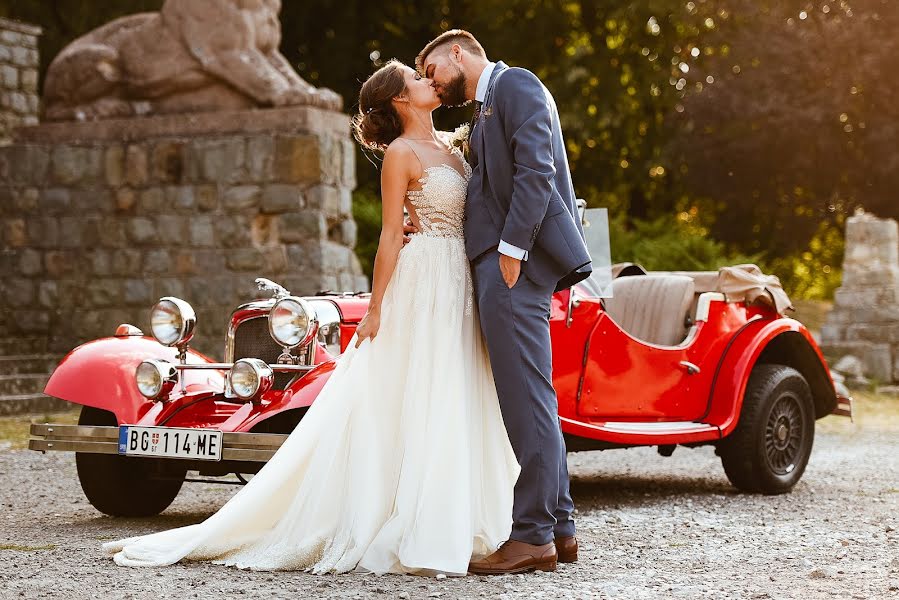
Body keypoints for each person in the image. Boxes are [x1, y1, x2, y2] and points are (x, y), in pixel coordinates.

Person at [102, 59, 520, 576]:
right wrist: (378, 307)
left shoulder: (456, 149)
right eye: (415, 80)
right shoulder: (400, 154)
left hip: (461, 277)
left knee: (457, 386)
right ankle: (415, 521)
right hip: (425, 279)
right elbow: (391, 236)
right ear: (399, 100)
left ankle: (467, 514)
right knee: (421, 388)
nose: (427, 81)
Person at [415, 30, 592, 575]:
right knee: (533, 394)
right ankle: (559, 527)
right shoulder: (492, 101)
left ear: (459, 54)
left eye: (431, 71)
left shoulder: (516, 85)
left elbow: (537, 172)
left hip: (513, 265)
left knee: (524, 399)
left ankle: (533, 535)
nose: (431, 84)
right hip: (501, 263)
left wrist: (511, 252)